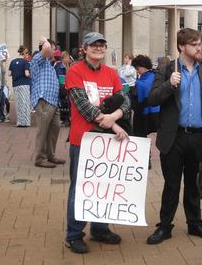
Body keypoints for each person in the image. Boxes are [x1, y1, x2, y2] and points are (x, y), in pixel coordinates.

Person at [145, 28, 202, 245]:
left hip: (198, 136)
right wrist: (169, 84)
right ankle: (164, 226)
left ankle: (195, 223)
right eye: (194, 44)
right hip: (173, 137)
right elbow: (152, 99)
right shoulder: (167, 69)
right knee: (172, 184)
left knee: (195, 183)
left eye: (199, 43)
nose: (199, 47)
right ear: (181, 47)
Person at [64, 32, 130, 254]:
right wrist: (114, 123)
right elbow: (84, 107)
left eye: (102, 45)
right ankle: (74, 234)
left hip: (106, 142)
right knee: (81, 188)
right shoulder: (74, 71)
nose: (98, 48)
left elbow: (127, 101)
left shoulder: (112, 73)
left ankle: (99, 228)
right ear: (84, 48)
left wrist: (116, 116)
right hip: (83, 140)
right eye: (93, 45)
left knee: (103, 186)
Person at [30, 37, 65, 168]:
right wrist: (45, 40)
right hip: (44, 100)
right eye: (53, 48)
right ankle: (39, 158)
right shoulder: (38, 60)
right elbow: (45, 49)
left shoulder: (49, 65)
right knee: (43, 130)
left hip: (53, 101)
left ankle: (50, 155)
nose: (54, 51)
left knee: (54, 128)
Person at [130, 55, 159, 138]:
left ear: (142, 66)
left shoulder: (140, 83)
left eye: (137, 68)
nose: (137, 71)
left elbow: (136, 103)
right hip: (157, 111)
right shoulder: (156, 75)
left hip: (143, 113)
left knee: (139, 134)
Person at [9, 45, 32, 127]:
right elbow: (26, 74)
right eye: (27, 53)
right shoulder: (25, 62)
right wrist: (31, 76)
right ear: (24, 53)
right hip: (24, 84)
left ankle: (19, 122)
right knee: (25, 103)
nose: (27, 55)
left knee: (18, 103)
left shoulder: (12, 62)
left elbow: (9, 74)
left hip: (15, 84)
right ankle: (25, 122)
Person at [54, 51, 73, 126]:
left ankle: (67, 118)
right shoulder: (59, 66)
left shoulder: (69, 66)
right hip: (61, 86)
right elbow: (60, 77)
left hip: (67, 86)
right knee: (61, 102)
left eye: (68, 57)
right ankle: (63, 118)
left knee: (67, 102)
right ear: (63, 58)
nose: (68, 59)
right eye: (67, 58)